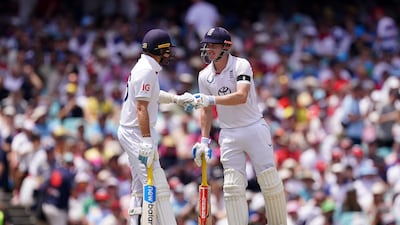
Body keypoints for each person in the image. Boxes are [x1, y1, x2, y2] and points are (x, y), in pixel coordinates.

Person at [191, 27, 287, 225]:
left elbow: (241, 96)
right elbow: (206, 110)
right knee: (233, 187)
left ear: (226, 47)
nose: (208, 50)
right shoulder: (204, 76)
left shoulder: (241, 65)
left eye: (213, 46)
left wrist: (210, 99)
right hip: (228, 133)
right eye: (206, 46)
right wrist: (204, 140)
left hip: (253, 128)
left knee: (269, 182)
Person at [117, 28, 196, 225]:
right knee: (158, 186)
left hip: (134, 131)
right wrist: (145, 141)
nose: (169, 54)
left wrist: (176, 99)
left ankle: (135, 221)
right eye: (167, 50)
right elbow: (141, 107)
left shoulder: (146, 67)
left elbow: (153, 95)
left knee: (140, 185)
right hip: (136, 133)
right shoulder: (146, 71)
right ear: (158, 50)